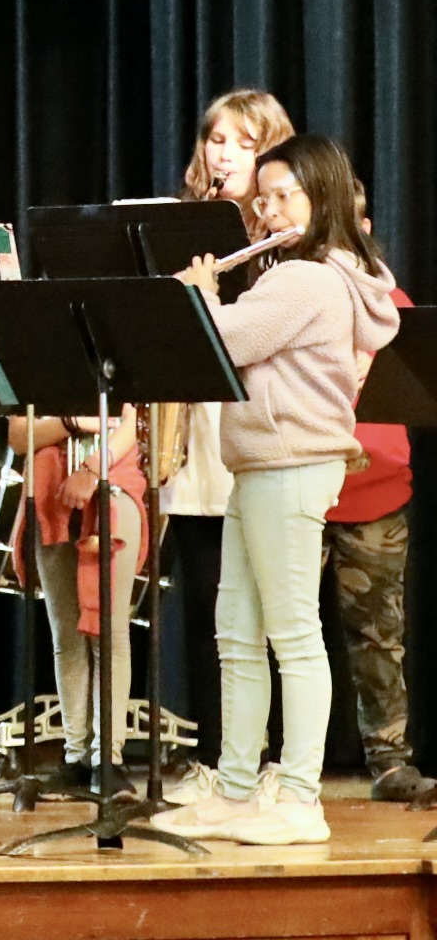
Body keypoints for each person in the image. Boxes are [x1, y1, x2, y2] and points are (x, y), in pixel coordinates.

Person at [158, 134, 398, 847]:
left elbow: (224, 343)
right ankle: (236, 788)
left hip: (291, 464)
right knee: (237, 632)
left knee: (292, 635)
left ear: (321, 197)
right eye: (261, 198)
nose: (265, 211)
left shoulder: (309, 278)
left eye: (282, 195)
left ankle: (298, 795)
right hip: (262, 464)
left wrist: (200, 296)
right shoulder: (294, 272)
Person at [159, 88, 296, 780]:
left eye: (244, 142)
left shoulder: (286, 243)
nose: (225, 153)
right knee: (209, 610)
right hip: (198, 445)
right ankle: (217, 759)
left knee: (269, 608)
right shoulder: (186, 231)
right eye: (217, 139)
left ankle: (267, 761)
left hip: (263, 435)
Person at [326, 179, 427, 802]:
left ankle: (389, 761)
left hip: (377, 491)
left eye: (360, 220)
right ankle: (263, 763)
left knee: (378, 635)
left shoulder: (391, 298)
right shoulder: (290, 294)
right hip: (298, 489)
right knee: (274, 636)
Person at [10, 404, 146, 785]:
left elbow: (130, 426)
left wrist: (91, 471)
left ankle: (108, 758)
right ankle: (75, 757)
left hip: (113, 490)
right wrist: (70, 422)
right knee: (65, 634)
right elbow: (19, 436)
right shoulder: (42, 361)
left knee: (110, 633)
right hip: (48, 492)